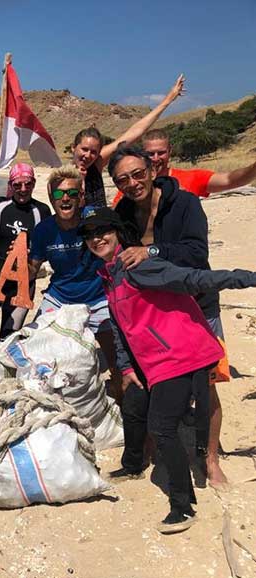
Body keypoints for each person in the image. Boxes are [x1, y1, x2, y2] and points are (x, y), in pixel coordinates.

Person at [79, 206, 256, 533]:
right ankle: (132, 466)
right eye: (89, 235)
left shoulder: (138, 267)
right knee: (133, 407)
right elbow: (120, 327)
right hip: (150, 361)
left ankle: (183, 505)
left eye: (103, 231)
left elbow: (195, 278)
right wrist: (126, 365)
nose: (96, 239)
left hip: (179, 356)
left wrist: (248, 278)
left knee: (162, 428)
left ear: (118, 233)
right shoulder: (109, 275)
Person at [110, 145, 229, 487]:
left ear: (151, 169)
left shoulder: (185, 203)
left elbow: (196, 252)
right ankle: (150, 445)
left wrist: (151, 251)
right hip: (156, 312)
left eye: (137, 174)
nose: (132, 183)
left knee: (206, 386)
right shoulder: (124, 211)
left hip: (197, 304)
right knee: (154, 378)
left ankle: (210, 459)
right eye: (122, 179)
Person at [28, 167, 120, 396]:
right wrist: (18, 261)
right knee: (36, 348)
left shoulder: (95, 218)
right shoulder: (43, 230)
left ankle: (121, 397)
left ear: (81, 196)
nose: (65, 199)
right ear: (51, 199)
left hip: (98, 297)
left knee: (116, 356)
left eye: (71, 193)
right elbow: (31, 271)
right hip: (60, 298)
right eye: (59, 195)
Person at [71, 75, 185, 207]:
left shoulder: (96, 164)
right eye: (84, 149)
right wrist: (80, 182)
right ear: (74, 147)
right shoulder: (61, 177)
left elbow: (134, 133)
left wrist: (169, 99)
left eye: (93, 152)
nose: (88, 156)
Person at [110, 127, 256, 205]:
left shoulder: (191, 177)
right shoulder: (135, 185)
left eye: (161, 153)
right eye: (150, 154)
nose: (155, 159)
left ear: (170, 151)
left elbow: (231, 180)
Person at [0, 163, 51, 340]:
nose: (23, 189)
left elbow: (48, 245)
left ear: (34, 183)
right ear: (10, 185)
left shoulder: (42, 211)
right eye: (17, 185)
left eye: (28, 184)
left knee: (8, 338)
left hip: (22, 286)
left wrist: (32, 252)